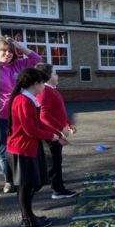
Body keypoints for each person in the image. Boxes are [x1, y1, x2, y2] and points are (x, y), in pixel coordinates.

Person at [7, 67, 67, 227]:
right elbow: (30, 129)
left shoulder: (29, 99)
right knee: (26, 186)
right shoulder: (23, 101)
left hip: (29, 148)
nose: (44, 86)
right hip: (21, 149)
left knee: (35, 182)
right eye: (42, 83)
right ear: (35, 84)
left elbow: (37, 123)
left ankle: (29, 216)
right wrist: (52, 136)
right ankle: (27, 219)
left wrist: (57, 134)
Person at [0, 36, 42, 193]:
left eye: (10, 51)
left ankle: (21, 176)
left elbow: (37, 58)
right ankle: (9, 179)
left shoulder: (18, 65)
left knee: (20, 145)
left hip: (17, 112)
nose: (8, 53)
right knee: (3, 149)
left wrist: (19, 46)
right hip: (0, 116)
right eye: (3, 50)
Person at [35, 63, 79, 200]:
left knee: (56, 161)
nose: (57, 75)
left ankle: (58, 186)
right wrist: (59, 132)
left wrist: (68, 124)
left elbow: (58, 112)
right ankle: (55, 190)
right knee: (53, 163)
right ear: (47, 77)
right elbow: (44, 115)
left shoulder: (52, 90)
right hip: (51, 135)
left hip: (56, 133)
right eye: (54, 73)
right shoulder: (45, 91)